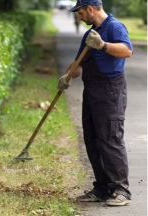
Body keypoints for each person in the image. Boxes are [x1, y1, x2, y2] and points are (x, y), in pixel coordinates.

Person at [58, 0, 133, 206]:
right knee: (92, 140)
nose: (79, 17)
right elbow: (79, 62)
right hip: (91, 93)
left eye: (81, 13)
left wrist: (103, 45)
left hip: (110, 92)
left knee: (110, 139)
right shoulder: (89, 34)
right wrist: (67, 76)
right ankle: (102, 188)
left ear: (90, 9)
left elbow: (127, 51)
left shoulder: (114, 27)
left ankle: (121, 190)